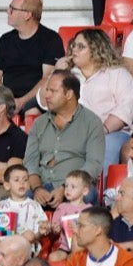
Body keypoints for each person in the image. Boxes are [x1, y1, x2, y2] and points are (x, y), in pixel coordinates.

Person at [25, 71, 105, 207]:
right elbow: (30, 162)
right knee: (21, 199)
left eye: (53, 91)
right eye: (47, 90)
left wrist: (65, 188)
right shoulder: (39, 123)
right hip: (42, 186)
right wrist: (37, 188)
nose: (47, 95)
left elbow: (93, 165)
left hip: (76, 187)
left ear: (69, 94)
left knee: (87, 195)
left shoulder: (92, 122)